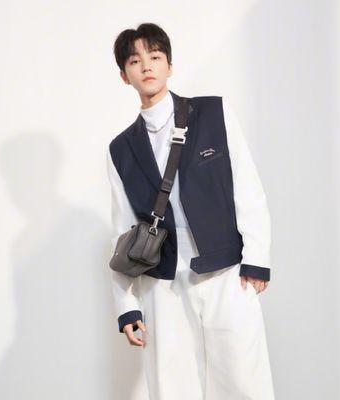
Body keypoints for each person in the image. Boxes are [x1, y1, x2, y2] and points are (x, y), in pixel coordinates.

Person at [107, 22, 276, 400]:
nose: (146, 66)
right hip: (161, 281)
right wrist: (126, 306)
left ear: (169, 65)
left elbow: (247, 187)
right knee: (172, 387)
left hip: (226, 269)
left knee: (243, 382)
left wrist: (257, 258)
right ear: (124, 76)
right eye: (134, 61)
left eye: (154, 56)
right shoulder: (120, 149)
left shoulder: (213, 114)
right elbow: (122, 230)